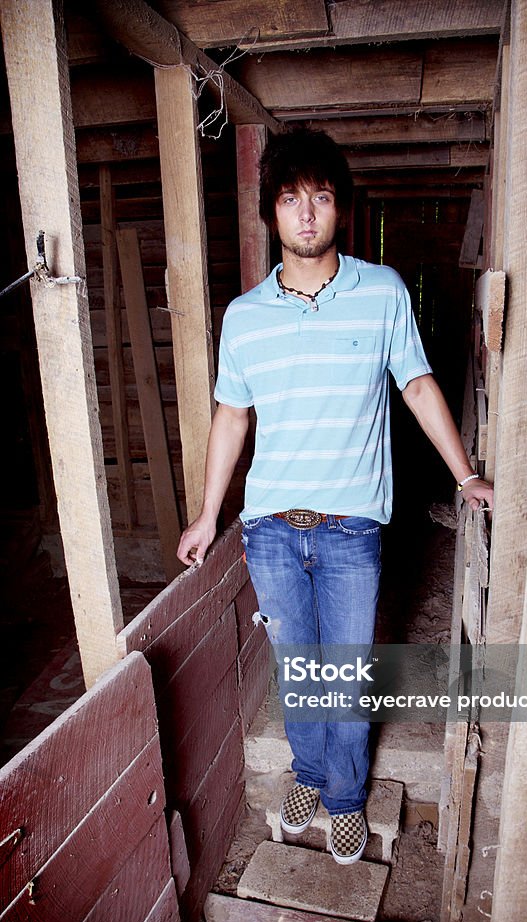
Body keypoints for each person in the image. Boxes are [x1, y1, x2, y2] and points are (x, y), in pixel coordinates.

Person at [177, 128, 494, 865]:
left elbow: (415, 384)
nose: (307, 213)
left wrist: (464, 474)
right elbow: (231, 416)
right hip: (271, 530)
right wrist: (207, 511)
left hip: (352, 528)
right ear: (272, 213)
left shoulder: (379, 292)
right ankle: (308, 773)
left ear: (340, 209)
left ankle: (345, 798)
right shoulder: (245, 318)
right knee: (297, 667)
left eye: (320, 197)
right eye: (291, 199)